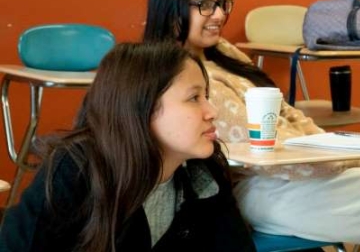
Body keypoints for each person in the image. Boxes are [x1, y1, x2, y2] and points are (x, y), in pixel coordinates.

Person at [143, 0, 360, 245]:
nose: (219, 15)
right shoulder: (178, 76)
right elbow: (258, 154)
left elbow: (286, 111)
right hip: (254, 184)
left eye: (221, 4)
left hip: (300, 167)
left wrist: (336, 150)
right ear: (172, 9)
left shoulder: (223, 51)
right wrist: (348, 160)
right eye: (205, 5)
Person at [0, 42, 255, 252]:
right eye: (194, 98)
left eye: (207, 96)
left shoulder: (204, 170)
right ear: (141, 108)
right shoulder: (74, 170)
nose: (212, 111)